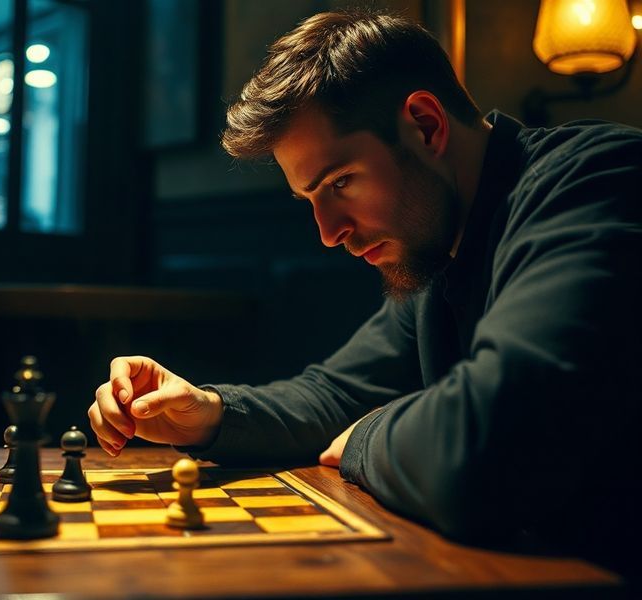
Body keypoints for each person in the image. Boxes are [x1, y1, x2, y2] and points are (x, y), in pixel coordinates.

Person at [88, 9, 641, 575]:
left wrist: (366, 436)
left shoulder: (598, 180)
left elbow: (489, 451)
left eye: (341, 182)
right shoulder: (438, 242)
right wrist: (208, 413)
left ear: (426, 125)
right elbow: (337, 394)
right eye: (311, 199)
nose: (329, 233)